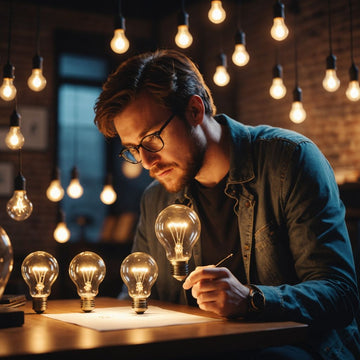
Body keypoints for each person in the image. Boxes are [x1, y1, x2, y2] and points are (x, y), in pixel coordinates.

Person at [94, 49, 360, 359]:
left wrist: (251, 299)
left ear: (195, 110)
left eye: (152, 138)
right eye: (133, 149)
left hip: (299, 350)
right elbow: (138, 296)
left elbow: (341, 294)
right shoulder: (156, 199)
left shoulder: (290, 160)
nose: (147, 162)